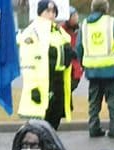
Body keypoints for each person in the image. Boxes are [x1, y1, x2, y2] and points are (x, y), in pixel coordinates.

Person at [18, 0, 73, 130]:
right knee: (40, 129)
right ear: (40, 13)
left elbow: (65, 52)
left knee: (53, 125)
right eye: (47, 11)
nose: (51, 14)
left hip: (58, 83)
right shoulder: (32, 31)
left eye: (54, 12)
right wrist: (34, 88)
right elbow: (29, 62)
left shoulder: (58, 31)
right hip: (42, 86)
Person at [77, 0, 114, 139]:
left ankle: (93, 128)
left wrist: (82, 62)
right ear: (106, 8)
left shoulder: (84, 24)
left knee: (93, 100)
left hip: (92, 69)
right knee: (112, 99)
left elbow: (79, 46)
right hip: (110, 68)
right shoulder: (112, 22)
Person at [61, 6, 84, 92]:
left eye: (76, 15)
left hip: (77, 70)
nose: (76, 17)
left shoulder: (80, 30)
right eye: (73, 15)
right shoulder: (61, 30)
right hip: (66, 67)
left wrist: (82, 65)